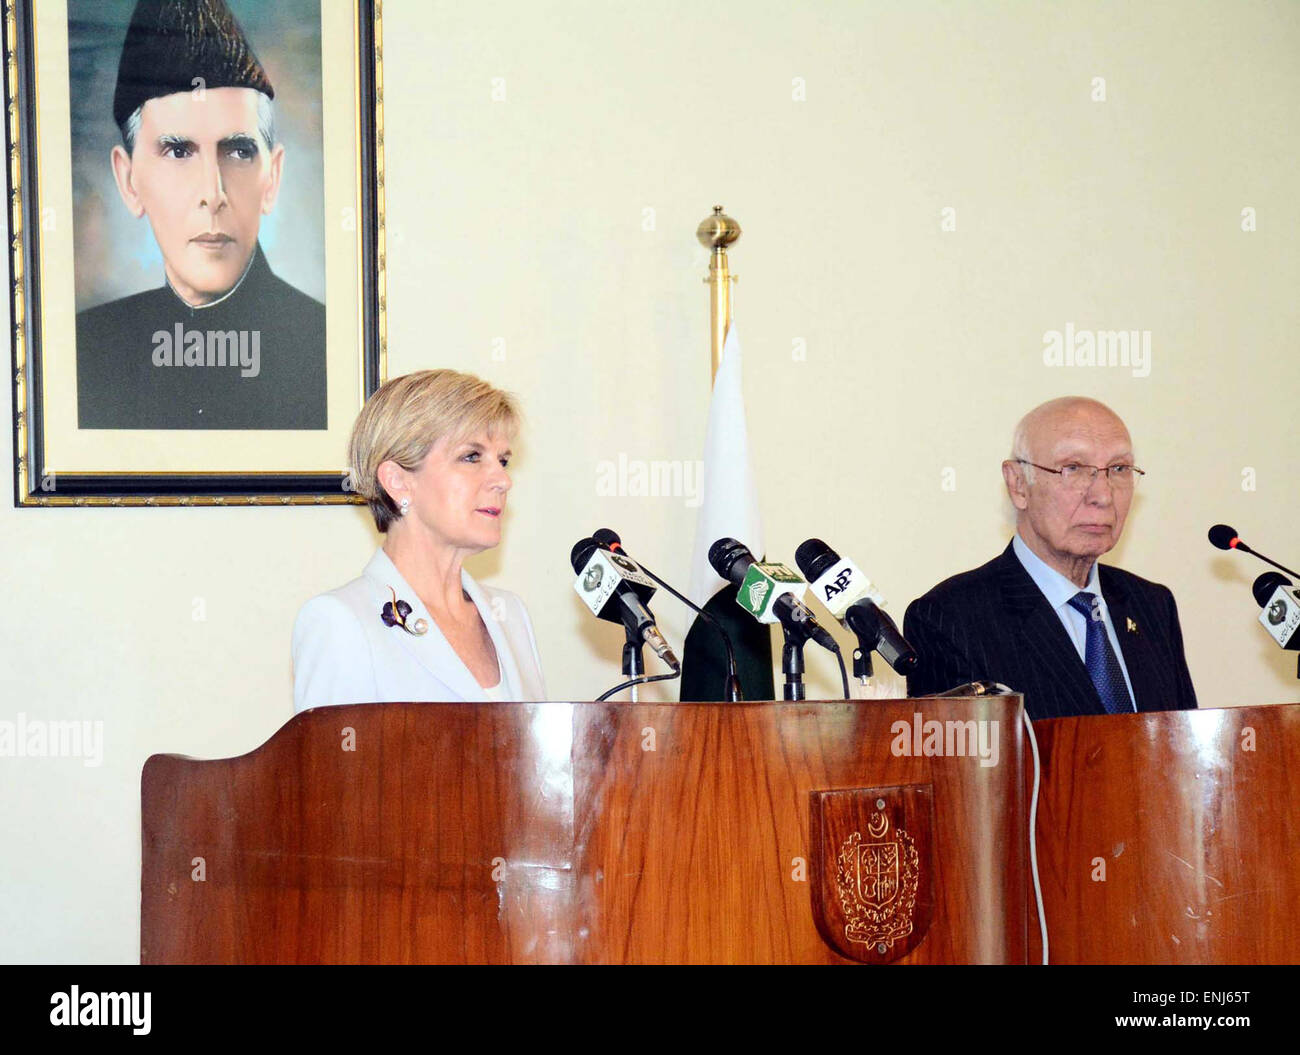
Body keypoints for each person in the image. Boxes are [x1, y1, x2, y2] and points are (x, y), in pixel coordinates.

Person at [75, 0, 326, 430]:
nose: (213, 193)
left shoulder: (324, 348)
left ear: (273, 176)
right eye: (178, 150)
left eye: (239, 150)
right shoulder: (84, 351)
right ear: (129, 180)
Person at [903, 396, 1197, 720]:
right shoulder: (950, 620)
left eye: (1119, 469)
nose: (1103, 495)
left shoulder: (1152, 605)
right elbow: (964, 767)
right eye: (1073, 468)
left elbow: (1184, 754)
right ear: (1018, 485)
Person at [292, 370, 546, 711]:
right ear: (397, 481)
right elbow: (332, 765)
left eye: (502, 461)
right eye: (472, 456)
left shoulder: (511, 615)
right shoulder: (341, 621)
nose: (502, 480)